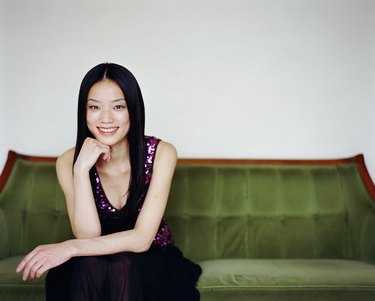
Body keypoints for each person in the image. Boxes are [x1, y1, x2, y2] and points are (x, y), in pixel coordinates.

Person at [16, 63, 202, 300]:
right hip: (92, 257)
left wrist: (69, 247)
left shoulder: (162, 153)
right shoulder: (67, 161)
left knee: (122, 266)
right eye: (94, 107)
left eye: (118, 106)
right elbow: (88, 234)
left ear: (133, 110)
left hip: (151, 258)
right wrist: (82, 169)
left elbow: (142, 239)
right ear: (83, 111)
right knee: (90, 266)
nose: (105, 118)